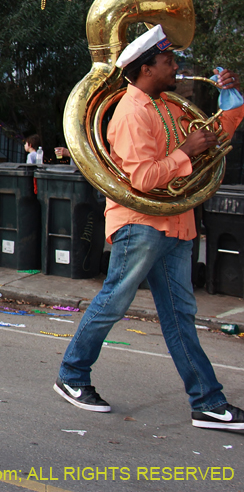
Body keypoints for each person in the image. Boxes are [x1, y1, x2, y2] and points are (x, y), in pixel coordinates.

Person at [53, 25, 244, 431]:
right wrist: (185, 151)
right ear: (145, 69)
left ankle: (208, 401)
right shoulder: (130, 112)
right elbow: (142, 178)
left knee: (180, 315)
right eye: (167, 61)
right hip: (140, 224)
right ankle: (71, 375)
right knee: (115, 302)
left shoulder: (170, 107)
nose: (176, 67)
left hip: (176, 224)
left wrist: (231, 102)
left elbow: (214, 140)